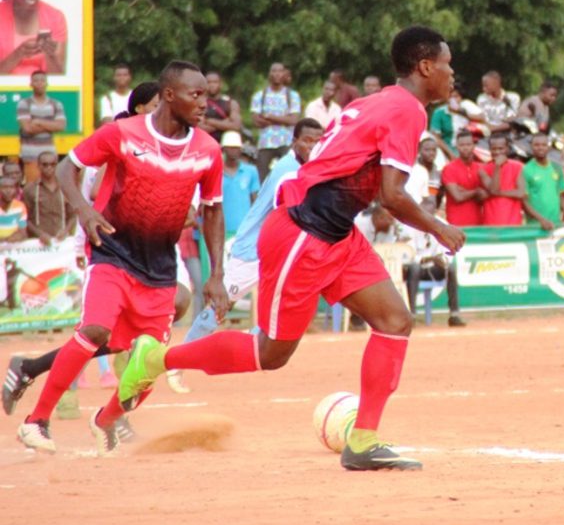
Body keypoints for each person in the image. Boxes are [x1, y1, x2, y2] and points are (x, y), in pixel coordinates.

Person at [119, 26, 466, 471]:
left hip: (335, 232)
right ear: (425, 67)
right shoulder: (407, 111)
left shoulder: (371, 103)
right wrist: (439, 227)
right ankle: (157, 357)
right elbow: (394, 195)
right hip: (304, 232)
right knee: (271, 354)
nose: (452, 73)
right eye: (448, 63)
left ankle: (362, 441)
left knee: (394, 320)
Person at [14, 60, 225, 455]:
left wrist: (216, 275)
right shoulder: (121, 134)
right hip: (113, 253)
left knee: (150, 362)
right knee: (94, 330)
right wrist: (84, 209)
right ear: (167, 95)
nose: (204, 104)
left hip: (160, 269)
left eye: (207, 96)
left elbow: (213, 210)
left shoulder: (208, 151)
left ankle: (107, 420)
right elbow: (67, 168)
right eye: (195, 95)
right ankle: (36, 421)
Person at [167, 118, 326, 393]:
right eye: (307, 141)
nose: (313, 146)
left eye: (317, 141)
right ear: (294, 142)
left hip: (275, 248)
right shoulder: (288, 172)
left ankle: (256, 340)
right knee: (220, 306)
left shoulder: (301, 167)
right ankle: (177, 361)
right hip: (254, 249)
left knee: (293, 296)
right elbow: (288, 213)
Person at [250, 62, 302, 181]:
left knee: (289, 175)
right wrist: (283, 119)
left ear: (285, 74)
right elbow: (256, 121)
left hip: (286, 142)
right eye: (274, 71)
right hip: (265, 143)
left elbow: (294, 120)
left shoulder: (293, 96)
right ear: (269, 74)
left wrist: (269, 116)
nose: (277, 74)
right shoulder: (259, 96)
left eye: (280, 71)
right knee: (262, 178)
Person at [17, 71, 66, 183]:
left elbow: (61, 126)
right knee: (32, 188)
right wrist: (51, 125)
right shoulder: (24, 104)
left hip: (50, 155)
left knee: (51, 186)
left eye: (42, 80)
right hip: (30, 155)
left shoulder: (56, 104)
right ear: (31, 84)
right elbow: (28, 128)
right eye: (36, 80)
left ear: (46, 83)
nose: (39, 83)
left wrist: (38, 121)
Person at [22, 151, 75, 245]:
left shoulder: (66, 188)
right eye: (45, 165)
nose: (49, 168)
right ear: (38, 166)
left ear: (57, 165)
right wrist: (40, 234)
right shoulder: (29, 189)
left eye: (52, 164)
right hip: (38, 243)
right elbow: (25, 219)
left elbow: (73, 216)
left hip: (62, 242)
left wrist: (66, 231)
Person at [522, 132, 564, 229]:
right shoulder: (525, 169)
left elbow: (560, 196)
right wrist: (541, 220)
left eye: (544, 145)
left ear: (548, 147)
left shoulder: (557, 167)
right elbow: (524, 202)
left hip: (555, 224)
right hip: (535, 226)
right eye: (537, 145)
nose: (540, 148)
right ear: (531, 147)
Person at [442, 130, 487, 227]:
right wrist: (476, 192)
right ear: (457, 147)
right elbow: (457, 197)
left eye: (468, 144)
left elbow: (485, 195)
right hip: (456, 224)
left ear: (473, 146)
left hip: (479, 223)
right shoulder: (449, 168)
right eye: (462, 145)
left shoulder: (481, 168)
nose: (465, 148)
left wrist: (466, 192)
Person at [479, 134, 525, 226]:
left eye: (501, 148)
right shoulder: (483, 169)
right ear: (489, 149)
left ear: (507, 148)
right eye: (494, 149)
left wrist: (496, 194)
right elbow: (494, 189)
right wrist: (497, 166)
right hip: (490, 223)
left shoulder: (518, 166)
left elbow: (521, 193)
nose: (497, 152)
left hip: (513, 223)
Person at [219, 131, 259, 236]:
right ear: (223, 149)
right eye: (230, 147)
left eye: (236, 147)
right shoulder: (215, 171)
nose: (233, 151)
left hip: (244, 228)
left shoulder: (251, 171)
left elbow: (254, 199)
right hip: (221, 227)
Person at [198, 70, 243, 142]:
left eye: (215, 82)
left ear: (220, 84)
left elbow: (236, 126)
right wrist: (226, 123)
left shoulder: (230, 103)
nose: (212, 85)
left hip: (227, 144)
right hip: (206, 142)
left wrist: (210, 121)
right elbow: (200, 128)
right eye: (209, 82)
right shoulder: (199, 103)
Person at [0, 177, 28, 242]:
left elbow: (23, 232)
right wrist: (5, 240)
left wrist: (19, 236)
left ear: (16, 190)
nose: (8, 191)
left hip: (12, 248)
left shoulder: (20, 207)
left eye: (11, 187)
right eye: (4, 187)